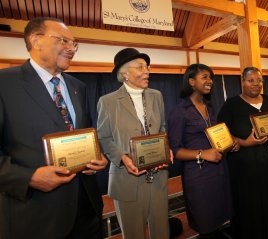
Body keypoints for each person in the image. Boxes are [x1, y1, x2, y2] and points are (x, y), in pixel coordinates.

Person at [0, 17, 108, 239]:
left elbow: (85, 133)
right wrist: (28, 177)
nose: (71, 49)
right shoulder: (5, 84)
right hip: (36, 215)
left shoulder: (78, 87)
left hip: (86, 209)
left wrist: (99, 156)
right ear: (36, 40)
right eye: (63, 41)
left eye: (74, 44)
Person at [97, 48, 169, 239]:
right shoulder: (107, 102)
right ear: (124, 73)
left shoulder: (157, 95)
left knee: (162, 233)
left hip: (158, 178)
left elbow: (162, 127)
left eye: (147, 67)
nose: (147, 71)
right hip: (126, 180)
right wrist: (122, 157)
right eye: (140, 67)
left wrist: (166, 149)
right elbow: (103, 137)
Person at [217, 66, 268, 239]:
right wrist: (246, 142)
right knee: (251, 211)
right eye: (251, 80)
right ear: (242, 81)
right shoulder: (231, 105)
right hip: (246, 176)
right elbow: (221, 138)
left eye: (259, 80)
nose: (255, 84)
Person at [168, 64, 234, 239]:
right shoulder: (179, 111)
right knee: (205, 222)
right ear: (191, 81)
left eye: (210, 77)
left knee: (219, 217)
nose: (210, 81)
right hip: (197, 175)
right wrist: (202, 154)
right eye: (204, 77)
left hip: (219, 170)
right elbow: (175, 150)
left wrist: (229, 144)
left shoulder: (209, 107)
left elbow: (214, 136)